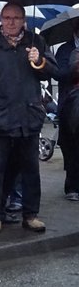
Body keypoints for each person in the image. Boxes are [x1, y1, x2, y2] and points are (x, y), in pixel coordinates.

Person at [0, 3, 58, 234]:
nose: (11, 22)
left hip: (28, 115)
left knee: (30, 169)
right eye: (7, 18)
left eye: (16, 18)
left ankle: (31, 214)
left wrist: (39, 61)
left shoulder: (35, 42)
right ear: (1, 18)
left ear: (23, 20)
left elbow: (53, 72)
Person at [57, 53, 79, 201]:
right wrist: (76, 67)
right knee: (73, 147)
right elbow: (60, 74)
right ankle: (72, 186)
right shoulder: (70, 52)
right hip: (73, 103)